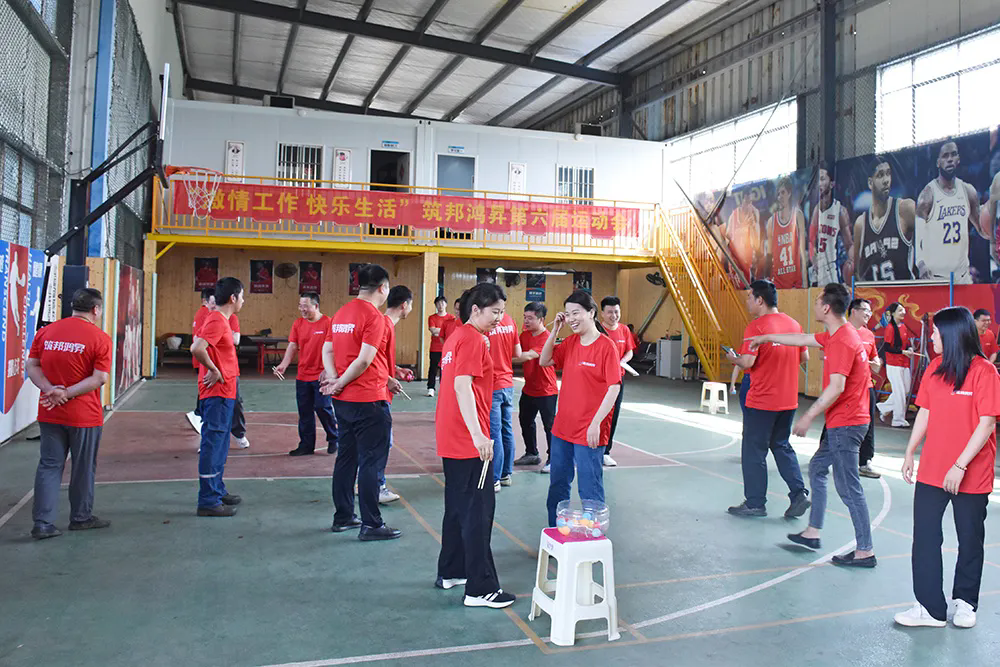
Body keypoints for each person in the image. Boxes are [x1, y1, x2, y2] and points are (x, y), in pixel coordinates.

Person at [748, 283, 876, 568]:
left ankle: (865, 551)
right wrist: (766, 336)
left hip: (847, 424)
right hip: (844, 422)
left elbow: (836, 387)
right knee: (818, 468)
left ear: (826, 308)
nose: (815, 304)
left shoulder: (842, 341)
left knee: (849, 489)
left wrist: (808, 415)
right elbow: (801, 338)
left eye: (818, 301)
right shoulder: (837, 334)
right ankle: (812, 532)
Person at [895, 307, 1000, 628]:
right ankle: (930, 608)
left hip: (971, 471)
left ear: (953, 335)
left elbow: (986, 424)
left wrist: (959, 465)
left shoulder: (984, 372)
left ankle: (965, 602)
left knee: (970, 538)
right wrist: (910, 451)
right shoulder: (935, 368)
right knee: (925, 536)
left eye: (936, 333)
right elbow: (925, 412)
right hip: (933, 468)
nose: (931, 337)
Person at [435, 282, 515, 609]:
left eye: (502, 312)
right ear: (476, 310)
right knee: (479, 514)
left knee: (457, 508)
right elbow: (462, 386)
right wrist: (479, 435)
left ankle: (452, 571)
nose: (500, 318)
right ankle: (481, 588)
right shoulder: (473, 339)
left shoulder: (455, 337)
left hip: (451, 437)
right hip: (469, 443)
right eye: (495, 312)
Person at [321, 263, 400, 541]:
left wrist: (334, 379)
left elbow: (327, 349)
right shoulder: (374, 317)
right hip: (368, 399)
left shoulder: (341, 313)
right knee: (370, 463)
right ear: (383, 288)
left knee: (346, 458)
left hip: (343, 401)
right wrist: (339, 382)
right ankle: (371, 524)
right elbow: (364, 360)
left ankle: (343, 516)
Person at [26, 288, 112, 540]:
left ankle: (42, 523)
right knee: (83, 467)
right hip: (83, 416)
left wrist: (50, 390)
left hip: (50, 411)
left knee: (49, 465)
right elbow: (99, 378)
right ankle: (81, 517)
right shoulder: (100, 338)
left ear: (73, 307)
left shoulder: (47, 332)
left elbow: (32, 365)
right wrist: (67, 393)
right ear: (95, 309)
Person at [724, 279, 810, 518]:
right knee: (781, 446)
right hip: (788, 400)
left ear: (760, 300)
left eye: (749, 297)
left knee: (754, 451)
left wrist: (734, 359)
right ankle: (798, 494)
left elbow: (748, 362)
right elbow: (804, 358)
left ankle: (755, 502)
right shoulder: (794, 324)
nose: (747, 301)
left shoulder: (756, 327)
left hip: (762, 400)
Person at [540, 291, 621, 527]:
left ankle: (593, 535)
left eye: (576, 313)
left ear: (591, 313)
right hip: (563, 428)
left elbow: (614, 388)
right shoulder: (570, 343)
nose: (571, 319)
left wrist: (596, 423)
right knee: (558, 483)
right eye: (568, 314)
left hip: (589, 431)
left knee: (589, 487)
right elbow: (545, 360)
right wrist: (555, 331)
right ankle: (555, 530)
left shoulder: (606, 347)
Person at [190, 277, 245, 517]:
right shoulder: (217, 320)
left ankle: (217, 489)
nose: (243, 301)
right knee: (213, 443)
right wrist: (213, 370)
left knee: (221, 444)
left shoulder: (221, 320)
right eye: (242, 296)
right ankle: (208, 500)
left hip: (225, 392)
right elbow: (197, 348)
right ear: (233, 298)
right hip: (217, 394)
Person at [273, 293, 339, 457]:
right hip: (303, 375)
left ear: (316, 306)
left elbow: (336, 348)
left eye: (305, 306)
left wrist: (328, 369)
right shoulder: (298, 324)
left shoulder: (328, 323)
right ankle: (306, 445)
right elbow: (292, 346)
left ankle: (334, 437)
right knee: (304, 412)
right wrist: (283, 364)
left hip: (322, 376)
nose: (302, 309)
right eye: (300, 306)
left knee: (322, 407)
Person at [915, 141, 983, 284]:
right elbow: (918, 236)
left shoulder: (968, 191)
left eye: (953, 154)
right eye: (945, 156)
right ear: (938, 162)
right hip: (936, 278)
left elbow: (982, 229)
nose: (950, 159)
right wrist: (920, 263)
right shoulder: (927, 196)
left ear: (958, 159)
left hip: (963, 277)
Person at [851, 156, 916, 282]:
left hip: (904, 293)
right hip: (876, 293)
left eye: (888, 174)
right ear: (870, 183)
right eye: (880, 175)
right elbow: (857, 272)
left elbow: (928, 238)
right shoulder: (861, 224)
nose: (886, 180)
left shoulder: (905, 209)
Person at [376, 285, 413, 505]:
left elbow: (378, 357)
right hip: (376, 394)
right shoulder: (383, 324)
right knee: (382, 443)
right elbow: (368, 358)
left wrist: (395, 369)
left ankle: (367, 483)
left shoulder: (385, 324)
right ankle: (376, 486)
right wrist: (388, 379)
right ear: (404, 305)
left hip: (380, 391)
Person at [513, 302, 557, 472]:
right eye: (525, 317)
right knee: (525, 420)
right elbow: (514, 350)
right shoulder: (524, 336)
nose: (526, 321)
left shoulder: (546, 338)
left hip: (546, 390)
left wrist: (499, 359)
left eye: (530, 318)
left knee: (549, 426)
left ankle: (554, 459)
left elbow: (528, 356)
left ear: (541, 320)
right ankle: (532, 453)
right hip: (529, 389)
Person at [489, 307, 524, 491]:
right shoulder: (510, 321)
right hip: (507, 383)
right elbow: (517, 352)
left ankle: (494, 478)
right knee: (506, 430)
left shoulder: (486, 323)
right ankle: (505, 474)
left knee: (494, 433)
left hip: (492, 384)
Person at [848, 298, 883, 479]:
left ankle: (865, 462)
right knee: (834, 422)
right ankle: (823, 455)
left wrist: (875, 363)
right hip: (845, 387)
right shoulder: (840, 331)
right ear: (854, 311)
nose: (869, 314)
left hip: (866, 386)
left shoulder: (869, 335)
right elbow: (825, 356)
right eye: (865, 310)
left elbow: (875, 361)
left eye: (870, 311)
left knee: (868, 424)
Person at [600, 296, 634, 467]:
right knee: (596, 415)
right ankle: (588, 448)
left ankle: (605, 451)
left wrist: (623, 361)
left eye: (616, 312)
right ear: (602, 313)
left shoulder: (624, 330)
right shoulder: (598, 331)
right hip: (599, 381)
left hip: (617, 380)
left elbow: (629, 351)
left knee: (612, 416)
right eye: (610, 312)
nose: (614, 316)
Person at [809, 165, 854, 285]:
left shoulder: (840, 211)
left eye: (822, 179)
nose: (819, 183)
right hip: (819, 273)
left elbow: (849, 245)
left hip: (834, 273)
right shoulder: (816, 210)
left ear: (832, 184)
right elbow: (811, 242)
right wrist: (814, 260)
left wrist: (852, 264)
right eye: (817, 180)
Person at [876, 302, 916, 428]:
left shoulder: (903, 327)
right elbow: (887, 347)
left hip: (904, 363)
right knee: (899, 392)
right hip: (894, 364)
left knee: (905, 390)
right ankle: (898, 419)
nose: (903, 312)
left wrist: (909, 349)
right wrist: (902, 352)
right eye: (900, 310)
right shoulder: (890, 328)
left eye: (903, 310)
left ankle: (883, 408)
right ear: (893, 314)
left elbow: (906, 343)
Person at [764, 177, 807, 289]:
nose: (780, 197)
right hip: (778, 283)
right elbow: (769, 256)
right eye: (778, 194)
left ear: (789, 193)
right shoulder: (771, 222)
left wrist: (805, 284)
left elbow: (802, 254)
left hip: (795, 282)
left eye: (783, 192)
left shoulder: (797, 215)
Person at [186, 288, 215, 434]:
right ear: (205, 301)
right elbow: (200, 338)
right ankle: (198, 414)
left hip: (202, 358)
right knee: (206, 388)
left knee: (206, 387)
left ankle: (199, 414)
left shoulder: (202, 313)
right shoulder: (205, 313)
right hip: (204, 358)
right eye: (212, 301)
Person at [720, 194, 761, 285]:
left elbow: (756, 245)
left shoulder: (753, 216)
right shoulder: (733, 216)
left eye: (750, 202)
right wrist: (741, 230)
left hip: (747, 261)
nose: (748, 205)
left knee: (747, 286)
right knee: (737, 286)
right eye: (746, 202)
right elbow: (728, 236)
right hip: (736, 261)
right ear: (742, 201)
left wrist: (754, 226)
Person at [426, 295, 454, 397]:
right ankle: (431, 388)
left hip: (447, 348)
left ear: (446, 304)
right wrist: (445, 331)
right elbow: (433, 331)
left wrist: (439, 330)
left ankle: (444, 388)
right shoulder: (432, 317)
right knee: (433, 368)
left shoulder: (451, 318)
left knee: (445, 369)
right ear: (435, 305)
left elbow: (452, 331)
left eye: (442, 303)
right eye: (438, 303)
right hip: (435, 347)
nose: (440, 305)